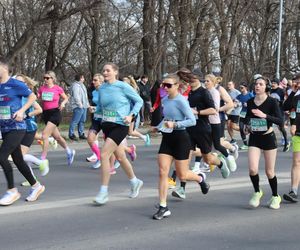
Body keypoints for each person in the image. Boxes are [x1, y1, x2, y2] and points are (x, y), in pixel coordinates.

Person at [152, 73, 209, 220]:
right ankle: (163, 206)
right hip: (167, 138)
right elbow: (167, 118)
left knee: (182, 175)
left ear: (177, 86)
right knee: (162, 171)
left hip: (181, 139)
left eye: (169, 85)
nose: (165, 87)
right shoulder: (165, 100)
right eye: (164, 85)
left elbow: (192, 121)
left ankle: (200, 179)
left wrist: (176, 124)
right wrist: (158, 126)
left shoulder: (181, 101)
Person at [93, 63, 143, 205]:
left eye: (108, 70)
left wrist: (131, 115)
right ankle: (135, 181)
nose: (105, 72)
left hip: (121, 125)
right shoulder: (102, 88)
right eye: (103, 70)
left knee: (104, 155)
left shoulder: (122, 86)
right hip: (107, 125)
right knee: (120, 157)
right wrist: (96, 115)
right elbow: (101, 108)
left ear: (115, 72)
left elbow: (138, 101)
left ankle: (103, 192)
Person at [0, 58, 45, 206]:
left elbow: (33, 96)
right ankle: (37, 186)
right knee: (18, 160)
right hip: (5, 128)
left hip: (18, 127)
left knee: (2, 157)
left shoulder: (15, 84)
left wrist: (22, 110)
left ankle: (12, 191)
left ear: (4, 68)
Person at [245, 76, 283, 209]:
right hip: (255, 138)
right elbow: (247, 118)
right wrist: (246, 126)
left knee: (269, 171)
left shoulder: (272, 102)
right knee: (252, 169)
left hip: (268, 138)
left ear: (266, 87)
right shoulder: (250, 101)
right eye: (256, 84)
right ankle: (257, 192)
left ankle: (275, 196)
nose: (257, 86)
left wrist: (264, 115)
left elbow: (280, 121)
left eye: (261, 84)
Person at [15, 74, 49, 185]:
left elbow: (39, 109)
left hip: (29, 128)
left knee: (21, 156)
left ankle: (40, 163)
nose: (18, 84)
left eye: (21, 82)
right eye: (16, 82)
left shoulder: (28, 95)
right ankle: (32, 179)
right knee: (21, 157)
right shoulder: (14, 96)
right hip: (18, 129)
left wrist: (27, 114)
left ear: (26, 84)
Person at [38, 71, 75, 166]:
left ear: (52, 79)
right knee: (57, 137)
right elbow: (36, 97)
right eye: (44, 78)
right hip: (46, 114)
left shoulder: (57, 88)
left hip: (55, 113)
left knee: (45, 135)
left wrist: (62, 103)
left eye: (47, 78)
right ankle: (69, 151)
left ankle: (43, 158)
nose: (45, 80)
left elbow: (66, 98)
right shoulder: (42, 89)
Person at [282, 73, 300, 202]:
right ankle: (293, 191)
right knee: (296, 162)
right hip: (298, 133)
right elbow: (285, 107)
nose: (297, 84)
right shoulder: (296, 96)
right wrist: (293, 92)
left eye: (299, 82)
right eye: (296, 82)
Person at [270, 78, 290, 152]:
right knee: (269, 126)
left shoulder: (281, 91)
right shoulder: (270, 91)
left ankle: (286, 143)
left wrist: (278, 101)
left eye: (274, 83)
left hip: (280, 112)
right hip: (272, 112)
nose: (273, 84)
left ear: (278, 84)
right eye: (272, 83)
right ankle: (272, 143)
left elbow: (285, 101)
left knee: (281, 128)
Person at [69, 73, 89, 140]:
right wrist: (79, 105)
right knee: (75, 120)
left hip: (84, 106)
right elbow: (76, 96)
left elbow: (85, 96)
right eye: (83, 78)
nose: (84, 79)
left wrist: (87, 105)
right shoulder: (75, 86)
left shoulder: (82, 85)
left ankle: (81, 134)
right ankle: (71, 134)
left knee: (82, 120)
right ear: (80, 78)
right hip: (78, 106)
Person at [236, 82, 254, 149]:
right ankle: (245, 144)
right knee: (241, 128)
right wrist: (236, 104)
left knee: (249, 128)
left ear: (246, 88)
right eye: (240, 88)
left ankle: (253, 142)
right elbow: (235, 101)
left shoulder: (250, 95)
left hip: (249, 113)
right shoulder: (239, 96)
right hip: (242, 113)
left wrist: (249, 104)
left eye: (242, 88)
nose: (241, 89)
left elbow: (255, 103)